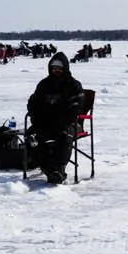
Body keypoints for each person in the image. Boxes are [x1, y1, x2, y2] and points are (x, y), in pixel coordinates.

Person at [26, 52, 87, 184]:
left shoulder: (73, 85)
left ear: (65, 68)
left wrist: (61, 120)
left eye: (60, 69)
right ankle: (49, 170)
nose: (57, 71)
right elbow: (33, 104)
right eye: (54, 68)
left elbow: (76, 108)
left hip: (70, 124)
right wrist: (36, 119)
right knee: (31, 137)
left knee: (65, 135)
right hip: (45, 123)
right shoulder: (44, 84)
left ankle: (59, 169)